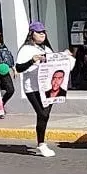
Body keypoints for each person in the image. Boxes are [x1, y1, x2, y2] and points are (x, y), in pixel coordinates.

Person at [15, 21, 67, 158]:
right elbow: (19, 68)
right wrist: (32, 60)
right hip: (32, 88)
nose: (42, 35)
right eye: (39, 32)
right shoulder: (26, 49)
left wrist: (64, 56)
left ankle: (41, 142)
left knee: (45, 115)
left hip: (47, 87)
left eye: (43, 32)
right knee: (42, 114)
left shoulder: (47, 49)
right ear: (32, 34)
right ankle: (41, 144)